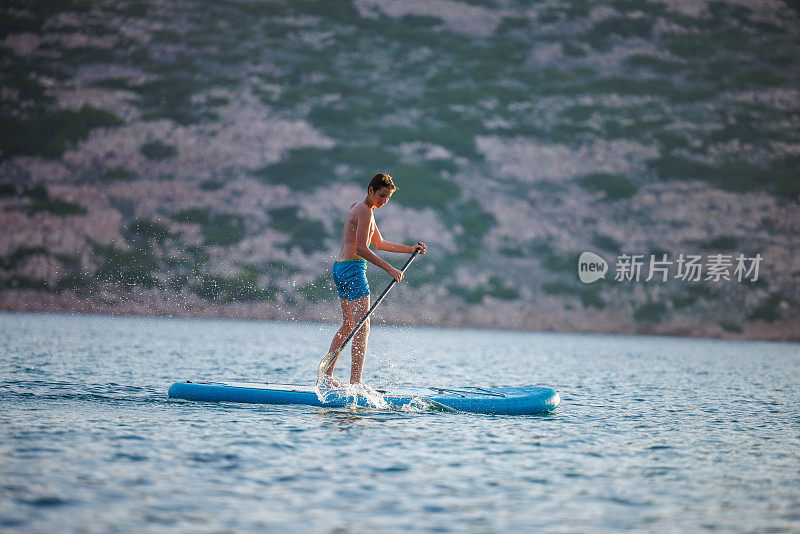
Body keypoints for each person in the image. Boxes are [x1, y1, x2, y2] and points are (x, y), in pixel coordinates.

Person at [321, 173, 426, 385]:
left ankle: (326, 376)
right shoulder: (365, 211)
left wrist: (410, 250)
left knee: (349, 325)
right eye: (382, 196)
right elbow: (361, 248)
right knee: (363, 327)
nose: (384, 201)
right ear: (371, 190)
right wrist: (390, 269)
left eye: (388, 198)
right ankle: (356, 383)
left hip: (339, 269)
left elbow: (379, 243)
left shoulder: (357, 207)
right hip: (353, 270)